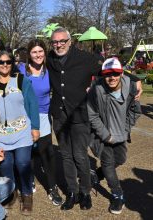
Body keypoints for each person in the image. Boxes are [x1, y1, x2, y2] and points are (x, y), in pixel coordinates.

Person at [46, 27, 102, 210]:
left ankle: (85, 192)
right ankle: (72, 192)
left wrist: (134, 80)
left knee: (79, 155)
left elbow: (107, 72)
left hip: (79, 114)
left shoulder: (85, 58)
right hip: (59, 115)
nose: (59, 44)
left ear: (70, 41)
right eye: (55, 42)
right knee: (67, 156)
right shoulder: (49, 58)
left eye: (62, 41)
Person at [0, 50, 39, 215]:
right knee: (6, 165)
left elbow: (32, 102)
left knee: (22, 163)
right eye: (1, 62)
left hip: (22, 132)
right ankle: (11, 192)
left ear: (12, 64)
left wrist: (35, 127)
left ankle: (27, 194)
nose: (4, 65)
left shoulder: (20, 80)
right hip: (1, 135)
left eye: (8, 62)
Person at [87, 57, 141, 215]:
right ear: (103, 74)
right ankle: (118, 195)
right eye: (108, 74)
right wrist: (106, 135)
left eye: (115, 73)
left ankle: (97, 174)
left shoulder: (130, 87)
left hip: (121, 134)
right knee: (108, 165)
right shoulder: (96, 89)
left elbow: (135, 110)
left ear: (122, 73)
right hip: (102, 136)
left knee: (121, 159)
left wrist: (126, 128)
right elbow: (92, 116)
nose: (112, 77)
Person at [19, 39, 63, 206]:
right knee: (28, 151)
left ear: (45, 52)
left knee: (47, 152)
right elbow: (1, 73)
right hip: (24, 115)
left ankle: (52, 187)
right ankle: (28, 181)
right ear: (29, 54)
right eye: (34, 52)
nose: (38, 55)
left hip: (43, 115)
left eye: (40, 51)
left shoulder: (50, 69)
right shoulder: (21, 69)